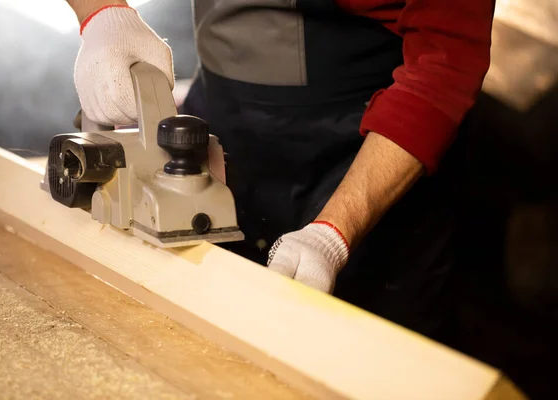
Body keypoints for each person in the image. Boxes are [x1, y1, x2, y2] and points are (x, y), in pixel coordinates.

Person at [66, 0, 494, 338]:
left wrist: (332, 235)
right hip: (223, 121)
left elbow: (444, 65)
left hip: (366, 152)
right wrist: (103, 16)